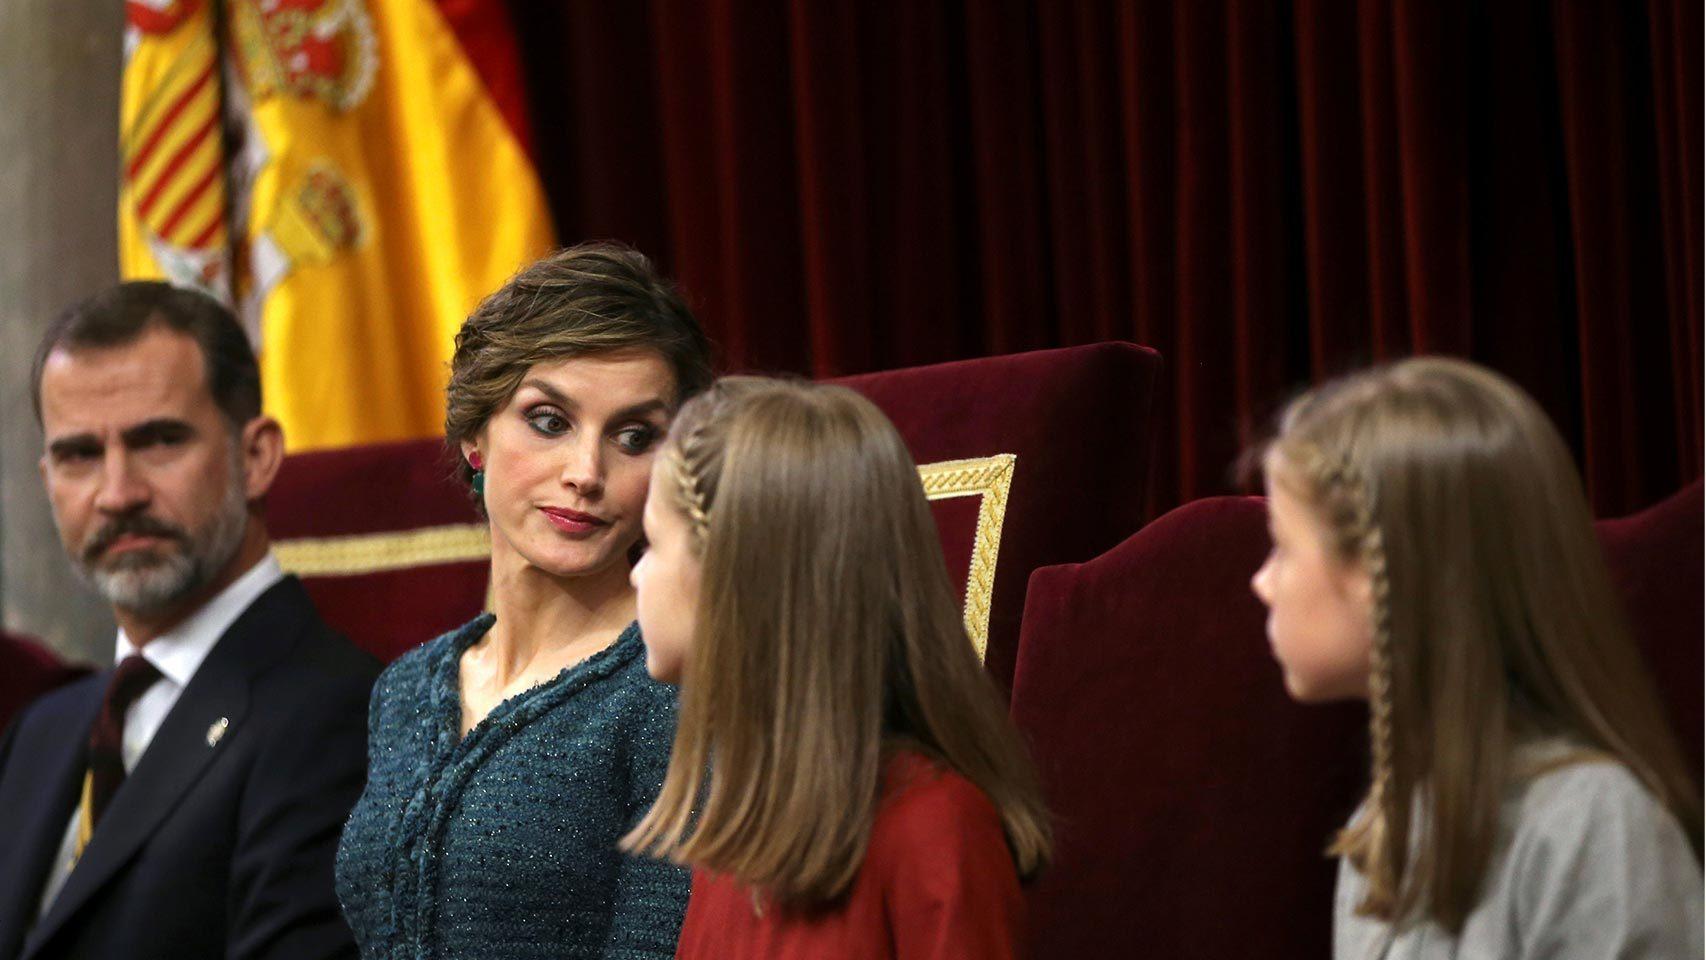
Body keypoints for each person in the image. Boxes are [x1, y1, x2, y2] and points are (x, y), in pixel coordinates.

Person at [1249, 357, 1702, 959]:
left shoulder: (1593, 827)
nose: (1262, 582)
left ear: (1383, 576)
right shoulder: (1386, 828)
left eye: (1282, 547)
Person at [335, 243, 711, 958]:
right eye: (549, 421)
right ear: (476, 433)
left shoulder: (677, 691)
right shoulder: (407, 687)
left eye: (635, 437)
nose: (585, 473)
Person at [0, 281, 379, 960]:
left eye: (160, 441)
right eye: (80, 454)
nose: (117, 493)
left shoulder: (342, 714)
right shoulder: (40, 730)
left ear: (256, 456)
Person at [624, 377, 1052, 959]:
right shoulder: (737, 829)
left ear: (732, 577)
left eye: (650, 544)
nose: (636, 575)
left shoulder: (936, 829)